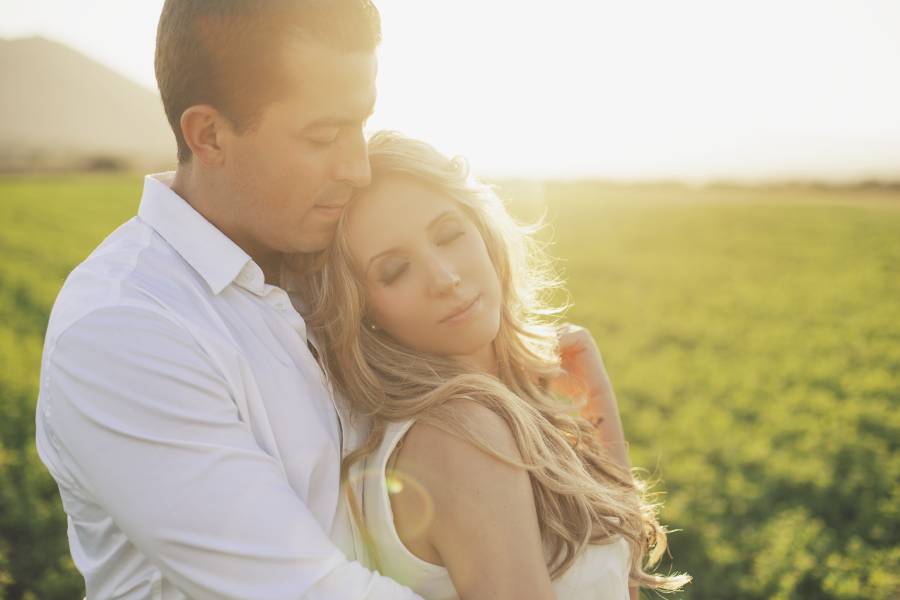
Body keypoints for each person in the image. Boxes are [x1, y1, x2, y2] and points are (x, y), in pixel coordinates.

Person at [34, 1, 423, 598]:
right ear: (209, 135)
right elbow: (302, 590)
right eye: (323, 135)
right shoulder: (122, 328)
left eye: (360, 126)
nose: (358, 168)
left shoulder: (342, 263)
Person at [293, 131, 692, 600]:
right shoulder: (463, 434)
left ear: (481, 229)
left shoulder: (524, 401)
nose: (445, 278)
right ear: (361, 310)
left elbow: (621, 582)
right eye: (394, 270)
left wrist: (600, 434)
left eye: (448, 234)